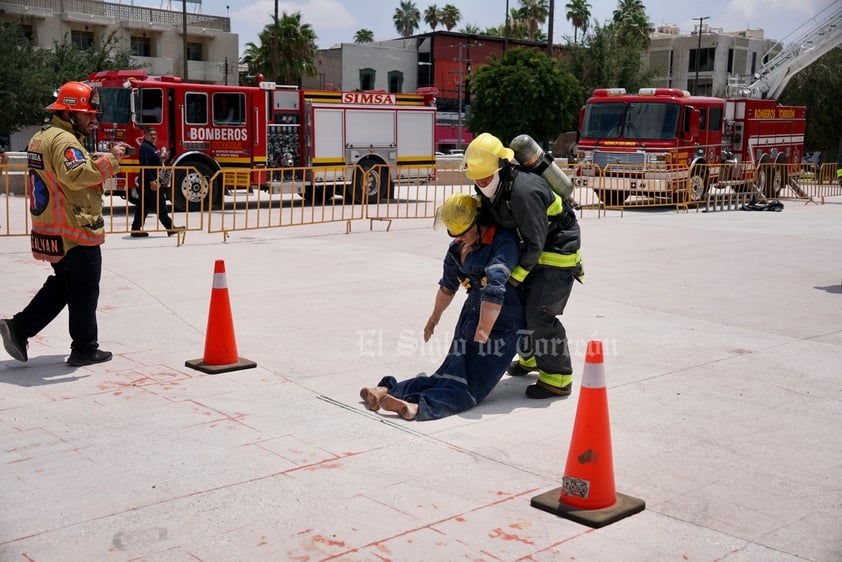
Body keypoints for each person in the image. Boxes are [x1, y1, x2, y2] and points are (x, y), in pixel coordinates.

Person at [359, 192, 525, 421]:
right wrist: (434, 317)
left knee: (462, 379)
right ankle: (396, 396)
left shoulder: (502, 240)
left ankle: (404, 399)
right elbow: (448, 286)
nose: (462, 237)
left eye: (466, 230)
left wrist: (485, 328)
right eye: (456, 233)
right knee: (455, 377)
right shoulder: (458, 247)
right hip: (474, 311)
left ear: (479, 220)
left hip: (499, 314)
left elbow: (496, 286)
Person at [0, 81, 127, 366]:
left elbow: (63, 171)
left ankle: (18, 329)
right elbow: (76, 175)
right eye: (88, 114)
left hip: (52, 227)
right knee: (84, 290)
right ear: (69, 114)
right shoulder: (65, 141)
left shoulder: (42, 137)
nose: (93, 119)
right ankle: (84, 348)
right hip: (75, 230)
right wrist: (111, 160)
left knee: (65, 286)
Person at [462, 133, 583, 399]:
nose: (481, 182)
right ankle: (530, 360)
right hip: (532, 249)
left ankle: (558, 378)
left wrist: (512, 278)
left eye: (486, 176)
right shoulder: (490, 191)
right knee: (518, 307)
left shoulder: (523, 191)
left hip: (556, 251)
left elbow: (536, 242)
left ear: (501, 168)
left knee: (540, 313)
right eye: (477, 178)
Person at [130, 127, 182, 237]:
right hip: (150, 182)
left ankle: (135, 229)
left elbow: (152, 161)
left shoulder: (151, 147)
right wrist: (152, 181)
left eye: (155, 134)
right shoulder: (145, 147)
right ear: (145, 135)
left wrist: (160, 159)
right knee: (160, 205)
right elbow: (145, 166)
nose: (153, 136)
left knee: (142, 207)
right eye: (151, 134)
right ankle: (170, 228)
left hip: (149, 181)